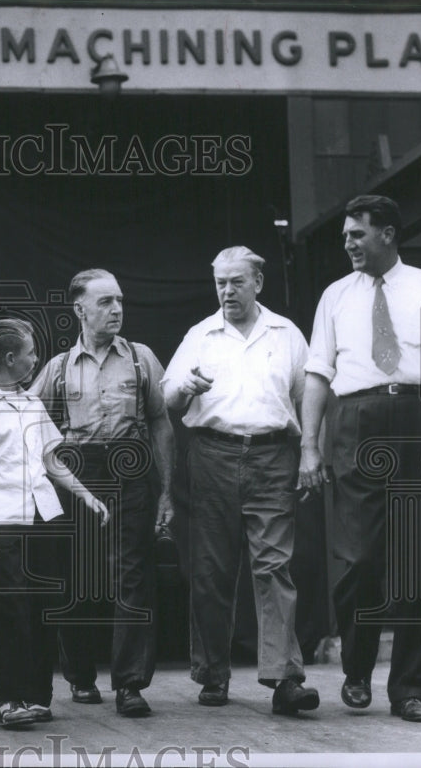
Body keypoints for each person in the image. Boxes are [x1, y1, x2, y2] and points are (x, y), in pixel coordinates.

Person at [298, 195, 421, 723]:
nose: (347, 243)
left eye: (357, 234)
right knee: (357, 559)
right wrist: (308, 446)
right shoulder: (335, 296)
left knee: (417, 564)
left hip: (419, 421)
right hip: (356, 422)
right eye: (345, 235)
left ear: (387, 234)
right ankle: (357, 666)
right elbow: (318, 373)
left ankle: (410, 689)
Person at [161, 247, 319, 715]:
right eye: (220, 283)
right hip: (212, 455)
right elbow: (165, 398)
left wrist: (310, 450)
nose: (226, 291)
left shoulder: (286, 333)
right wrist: (185, 386)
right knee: (212, 570)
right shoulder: (200, 335)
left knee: (273, 566)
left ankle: (284, 679)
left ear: (258, 284)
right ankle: (212, 673)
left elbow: (305, 398)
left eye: (236, 282)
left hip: (273, 456)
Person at [29, 268, 174, 717]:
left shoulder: (141, 358)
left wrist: (166, 491)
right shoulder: (56, 369)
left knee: (132, 574)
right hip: (77, 471)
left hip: (130, 470)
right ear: (80, 309)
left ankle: (130, 684)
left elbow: (161, 424)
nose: (117, 309)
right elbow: (30, 423)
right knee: (77, 576)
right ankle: (79, 675)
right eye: (106, 302)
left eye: (120, 301)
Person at [0, 318, 110, 729]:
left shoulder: (33, 404)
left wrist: (85, 495)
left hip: (43, 519)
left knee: (44, 609)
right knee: (10, 611)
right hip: (2, 523)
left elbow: (51, 462)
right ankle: (11, 700)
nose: (36, 358)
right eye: (30, 352)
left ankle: (39, 697)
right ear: (10, 359)